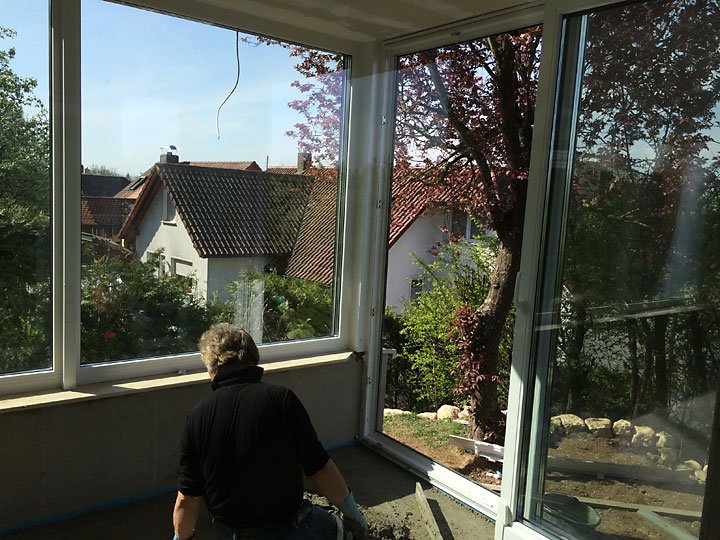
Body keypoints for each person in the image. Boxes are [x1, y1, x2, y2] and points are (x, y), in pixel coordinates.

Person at [172, 323, 368, 540]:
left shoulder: (197, 418)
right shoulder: (281, 401)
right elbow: (320, 468)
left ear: (212, 369)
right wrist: (353, 515)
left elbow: (188, 498)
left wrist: (180, 538)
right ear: (253, 359)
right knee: (336, 527)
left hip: (234, 535)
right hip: (288, 530)